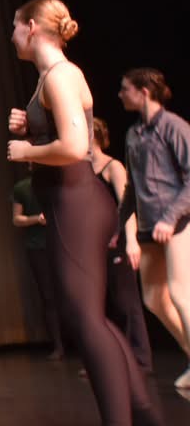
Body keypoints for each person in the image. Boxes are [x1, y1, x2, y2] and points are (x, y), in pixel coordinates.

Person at [7, 0, 159, 426]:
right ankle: (142, 411)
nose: (12, 35)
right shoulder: (50, 79)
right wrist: (29, 127)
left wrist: (27, 152)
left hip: (77, 206)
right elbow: (60, 131)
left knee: (84, 318)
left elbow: (75, 145)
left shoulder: (59, 76)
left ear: (32, 28)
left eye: (14, 27)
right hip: (70, 206)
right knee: (93, 316)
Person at [118, 67, 190, 388]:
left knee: (179, 293)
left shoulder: (174, 127)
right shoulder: (134, 134)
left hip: (177, 221)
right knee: (153, 298)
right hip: (148, 223)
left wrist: (170, 217)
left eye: (125, 89)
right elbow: (132, 187)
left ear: (144, 92)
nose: (120, 95)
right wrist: (122, 227)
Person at [91, 117, 152, 373]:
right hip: (96, 243)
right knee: (103, 303)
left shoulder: (112, 166)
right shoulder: (82, 170)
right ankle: (112, 359)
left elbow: (127, 205)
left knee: (127, 302)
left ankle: (140, 360)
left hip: (119, 241)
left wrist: (131, 242)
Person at [10, 170, 64, 360]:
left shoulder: (59, 182)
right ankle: (58, 345)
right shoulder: (23, 187)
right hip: (37, 247)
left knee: (70, 294)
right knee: (48, 296)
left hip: (62, 244)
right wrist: (37, 219)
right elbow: (16, 218)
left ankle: (79, 343)